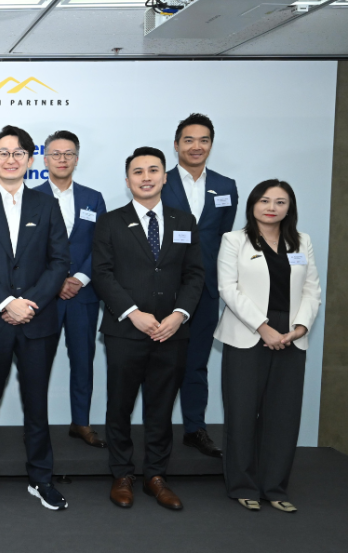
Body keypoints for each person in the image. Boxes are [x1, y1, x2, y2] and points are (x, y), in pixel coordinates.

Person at [0, 126, 70, 511]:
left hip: (38, 320)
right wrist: (6, 302)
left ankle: (41, 479)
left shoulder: (47, 205)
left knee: (36, 404)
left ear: (29, 159)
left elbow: (59, 263)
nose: (10, 159)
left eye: (18, 153)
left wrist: (29, 303)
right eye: (3, 153)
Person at [92, 146, 204, 511]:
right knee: (120, 406)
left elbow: (194, 274)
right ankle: (122, 474)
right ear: (127, 181)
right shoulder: (110, 221)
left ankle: (155, 476)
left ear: (165, 177)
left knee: (160, 408)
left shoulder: (184, 221)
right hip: (126, 330)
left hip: (172, 332)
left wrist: (179, 314)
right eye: (137, 172)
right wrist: (132, 312)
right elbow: (103, 274)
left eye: (153, 170)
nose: (146, 177)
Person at [215, 180, 321, 513]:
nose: (271, 207)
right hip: (249, 332)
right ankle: (243, 485)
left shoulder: (302, 242)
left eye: (280, 201)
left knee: (283, 415)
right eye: (264, 200)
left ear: (290, 208)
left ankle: (275, 487)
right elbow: (228, 289)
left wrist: (299, 328)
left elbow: (312, 290)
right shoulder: (234, 240)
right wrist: (264, 328)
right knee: (243, 413)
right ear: (253, 205)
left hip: (291, 335)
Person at [161, 113, 238, 459]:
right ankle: (157, 428)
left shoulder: (226, 186)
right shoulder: (158, 181)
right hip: (161, 288)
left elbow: (222, 239)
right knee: (159, 363)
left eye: (203, 140)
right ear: (176, 145)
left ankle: (195, 428)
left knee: (197, 363)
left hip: (205, 289)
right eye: (189, 140)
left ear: (211, 144)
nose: (196, 146)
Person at [32, 131, 108, 448]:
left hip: (83, 296)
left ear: (76, 159)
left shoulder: (94, 198)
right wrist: (56, 281)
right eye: (56, 153)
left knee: (82, 361)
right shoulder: (30, 196)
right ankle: (34, 426)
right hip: (43, 298)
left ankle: (81, 422)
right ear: (45, 159)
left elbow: (102, 246)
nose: (62, 159)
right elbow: (27, 250)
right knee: (36, 364)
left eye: (68, 154)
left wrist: (79, 278)